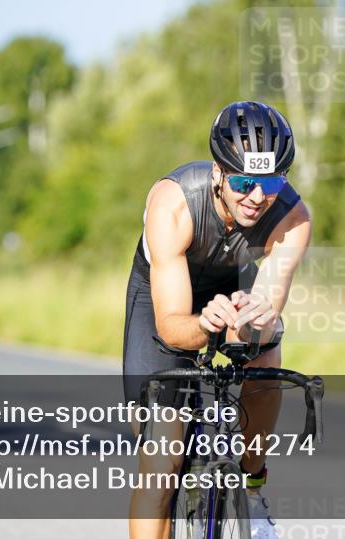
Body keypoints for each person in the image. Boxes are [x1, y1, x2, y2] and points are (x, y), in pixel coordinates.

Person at [122, 101, 312, 539]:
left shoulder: (293, 218)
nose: (257, 197)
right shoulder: (173, 205)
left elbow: (268, 306)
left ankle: (251, 487)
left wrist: (247, 324)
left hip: (234, 287)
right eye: (244, 182)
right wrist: (205, 325)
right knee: (162, 463)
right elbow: (171, 326)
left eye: (271, 182)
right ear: (217, 172)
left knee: (266, 346)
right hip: (163, 302)